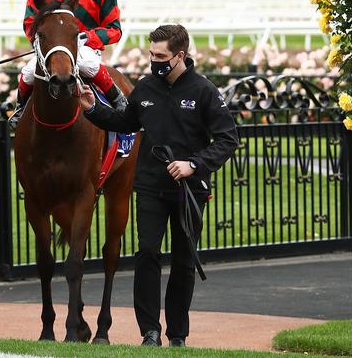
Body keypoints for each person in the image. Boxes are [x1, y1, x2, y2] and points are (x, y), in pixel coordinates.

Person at [79, 24, 238, 347]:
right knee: (147, 253)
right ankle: (149, 332)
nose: (154, 60)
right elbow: (126, 123)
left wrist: (193, 164)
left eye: (161, 55)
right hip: (150, 185)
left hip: (189, 189)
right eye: (152, 54)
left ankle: (177, 333)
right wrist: (92, 109)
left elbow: (227, 139)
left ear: (179, 56)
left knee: (182, 260)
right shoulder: (146, 88)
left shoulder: (203, 91)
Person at [9, 0, 128, 129]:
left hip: (84, 47)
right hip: (51, 46)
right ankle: (20, 109)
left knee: (86, 65)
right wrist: (41, 43)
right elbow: (30, 20)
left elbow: (114, 30)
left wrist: (87, 38)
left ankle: (119, 102)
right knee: (28, 72)